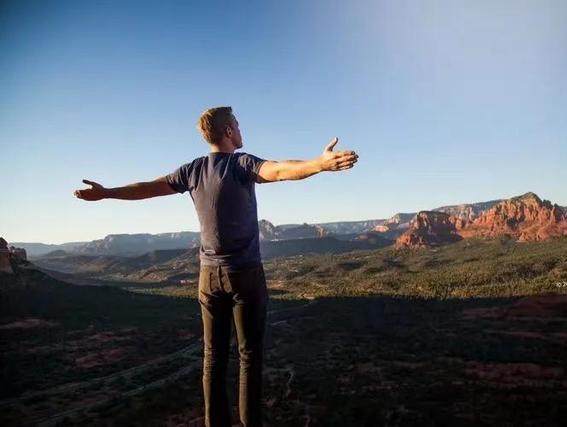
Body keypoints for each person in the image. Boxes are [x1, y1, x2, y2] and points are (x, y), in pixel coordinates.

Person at [73, 106, 359, 427]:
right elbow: (278, 170)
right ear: (227, 132)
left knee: (213, 357)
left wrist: (107, 193)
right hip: (245, 274)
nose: (241, 129)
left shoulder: (192, 170)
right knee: (249, 357)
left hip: (208, 278)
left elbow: (148, 187)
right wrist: (318, 165)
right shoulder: (240, 163)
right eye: (237, 125)